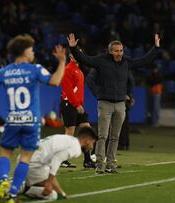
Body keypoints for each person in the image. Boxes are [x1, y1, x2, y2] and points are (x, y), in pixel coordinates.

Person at [0, 34, 66, 203]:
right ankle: (12, 194)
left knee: (5, 153)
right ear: (25, 52)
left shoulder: (5, 71)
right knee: (25, 157)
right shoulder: (35, 69)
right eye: (31, 50)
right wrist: (62, 62)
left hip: (13, 119)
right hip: (31, 121)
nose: (33, 53)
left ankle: (4, 181)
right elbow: (55, 82)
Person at [68, 33, 160, 174]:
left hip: (120, 105)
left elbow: (143, 61)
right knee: (102, 135)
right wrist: (73, 48)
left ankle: (110, 164)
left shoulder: (126, 63)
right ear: (110, 51)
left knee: (115, 137)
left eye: (121, 51)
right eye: (116, 51)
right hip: (105, 104)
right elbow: (85, 59)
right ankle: (99, 165)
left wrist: (156, 48)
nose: (119, 54)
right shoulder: (101, 60)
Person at [21, 127, 98, 200]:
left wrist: (61, 193)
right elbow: (56, 159)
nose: (92, 147)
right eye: (92, 143)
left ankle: (21, 183)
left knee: (57, 191)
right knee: (53, 195)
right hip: (35, 164)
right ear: (87, 140)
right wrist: (49, 183)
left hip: (26, 157)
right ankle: (23, 189)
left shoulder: (70, 140)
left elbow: (50, 169)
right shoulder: (76, 148)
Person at [60, 49, 95, 169]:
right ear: (70, 56)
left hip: (78, 105)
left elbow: (78, 91)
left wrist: (80, 104)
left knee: (87, 130)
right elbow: (68, 90)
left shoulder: (79, 70)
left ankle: (87, 160)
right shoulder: (68, 69)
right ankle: (63, 160)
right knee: (69, 132)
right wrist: (76, 104)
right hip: (69, 104)